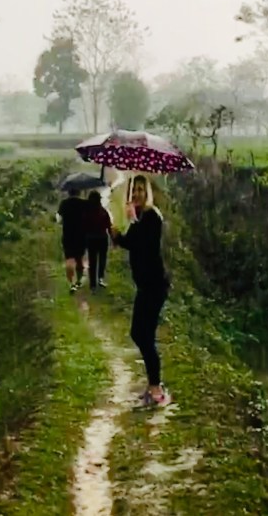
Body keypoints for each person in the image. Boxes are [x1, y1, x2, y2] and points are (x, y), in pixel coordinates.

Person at [112, 174, 171, 407]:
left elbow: (145, 246)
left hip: (154, 285)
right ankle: (154, 385)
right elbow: (128, 244)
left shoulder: (152, 216)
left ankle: (156, 389)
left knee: (142, 334)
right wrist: (116, 233)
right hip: (145, 285)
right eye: (133, 190)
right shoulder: (140, 217)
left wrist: (133, 221)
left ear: (147, 192)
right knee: (140, 334)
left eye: (140, 190)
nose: (136, 194)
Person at [56, 187, 87, 292]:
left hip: (68, 235)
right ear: (79, 191)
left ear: (68, 192)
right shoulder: (84, 203)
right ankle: (79, 281)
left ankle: (72, 284)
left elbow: (59, 220)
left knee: (69, 260)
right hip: (81, 235)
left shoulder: (64, 203)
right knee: (79, 259)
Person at [85, 189, 111, 291]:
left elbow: (83, 226)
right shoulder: (103, 211)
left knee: (92, 261)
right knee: (102, 259)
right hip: (102, 239)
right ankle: (100, 279)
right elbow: (108, 225)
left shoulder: (86, 212)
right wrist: (113, 238)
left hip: (91, 239)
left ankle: (92, 285)